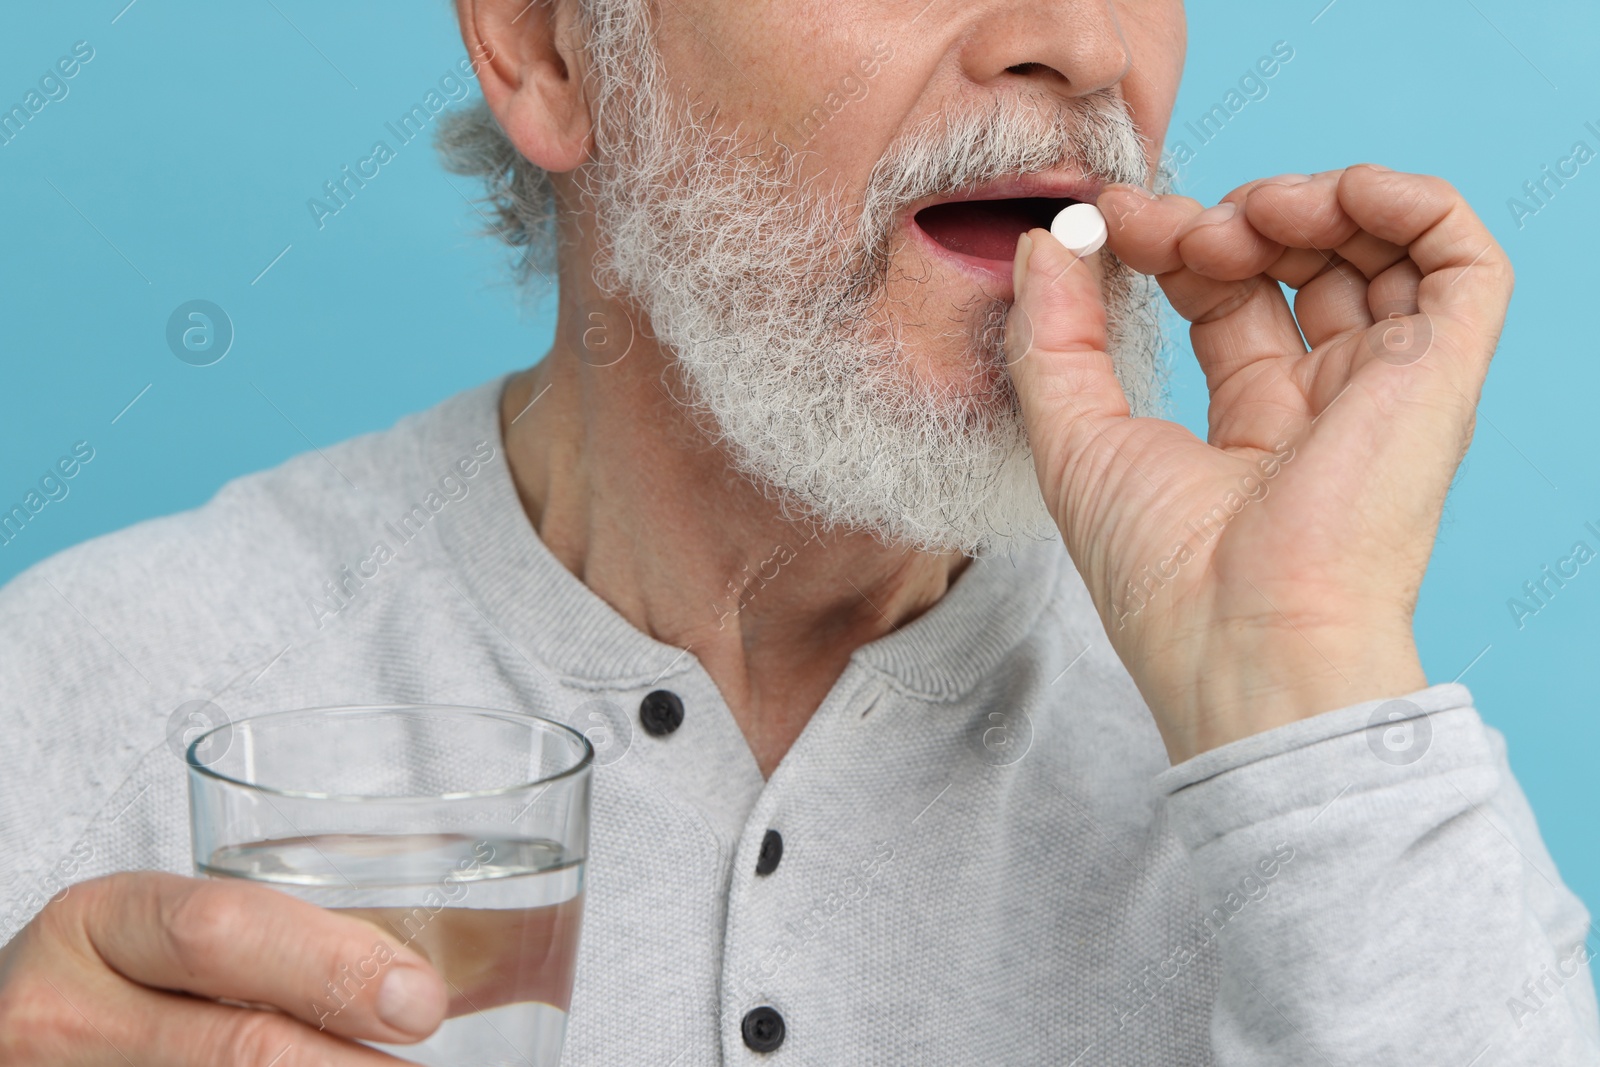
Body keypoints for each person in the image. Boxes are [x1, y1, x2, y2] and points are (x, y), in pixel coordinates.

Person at [2, 0, 1596, 1063]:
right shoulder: (86, 711)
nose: (1082, 40)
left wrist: (1299, 676)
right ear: (554, 49)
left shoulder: (1315, 784)